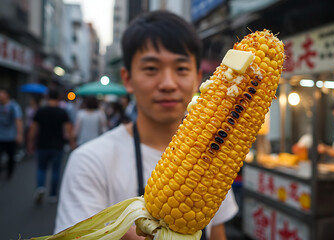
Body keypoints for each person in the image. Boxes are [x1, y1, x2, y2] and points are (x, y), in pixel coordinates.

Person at [55, 10, 238, 240]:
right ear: (128, 79)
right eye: (151, 68)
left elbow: (217, 231)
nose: (168, 84)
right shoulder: (90, 162)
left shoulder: (217, 156)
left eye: (181, 69)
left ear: (198, 78)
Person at [28, 89, 75, 204]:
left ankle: (40, 187)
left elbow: (33, 128)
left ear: (48, 97)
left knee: (41, 168)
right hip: (58, 145)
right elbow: (69, 128)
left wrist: (30, 142)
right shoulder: (62, 112)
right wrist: (72, 142)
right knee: (55, 170)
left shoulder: (41, 110)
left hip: (42, 144)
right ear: (58, 98)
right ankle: (53, 194)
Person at [0, 88, 23, 180]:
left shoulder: (14, 106)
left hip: (10, 136)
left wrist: (19, 134)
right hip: (0, 136)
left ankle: (10, 173)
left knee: (10, 156)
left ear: (7, 95)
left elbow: (18, 120)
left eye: (2, 93)